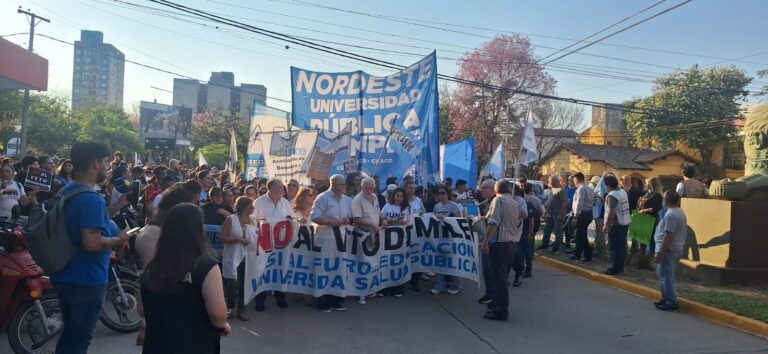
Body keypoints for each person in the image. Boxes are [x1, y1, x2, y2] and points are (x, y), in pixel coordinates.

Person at [51, 142, 131, 354]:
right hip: (86, 280)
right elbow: (92, 242)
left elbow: (84, 222)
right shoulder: (91, 199)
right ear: (96, 164)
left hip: (63, 273)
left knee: (69, 337)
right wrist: (119, 238)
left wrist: (115, 207)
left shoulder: (67, 192)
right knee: (78, 342)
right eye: (105, 162)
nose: (107, 167)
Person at [140, 203, 230, 353]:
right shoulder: (206, 266)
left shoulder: (152, 267)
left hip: (156, 346)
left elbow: (141, 309)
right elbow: (218, 315)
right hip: (194, 346)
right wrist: (224, 326)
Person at [310, 174, 351, 312]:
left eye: (345, 185)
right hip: (325, 239)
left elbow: (349, 215)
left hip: (340, 239)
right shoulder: (323, 198)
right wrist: (334, 222)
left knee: (338, 268)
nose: (345, 187)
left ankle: (335, 299)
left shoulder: (346, 200)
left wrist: (346, 219)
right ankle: (322, 300)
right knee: (324, 269)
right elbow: (315, 216)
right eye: (342, 185)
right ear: (334, 185)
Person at [481, 179, 520, 321]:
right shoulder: (514, 203)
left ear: (496, 189)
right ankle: (497, 304)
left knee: (499, 279)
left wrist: (485, 241)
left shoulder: (498, 201)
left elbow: (494, 223)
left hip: (500, 244)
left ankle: (501, 310)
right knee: (502, 278)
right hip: (511, 244)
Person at [252, 179, 291, 311]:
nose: (283, 190)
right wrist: (260, 222)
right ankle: (260, 299)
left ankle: (280, 296)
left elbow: (290, 220)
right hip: (265, 244)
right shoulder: (259, 202)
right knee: (263, 270)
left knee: (281, 269)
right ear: (271, 189)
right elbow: (252, 220)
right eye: (280, 188)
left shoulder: (285, 203)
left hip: (281, 245)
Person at [220, 197, 257, 321]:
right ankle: (230, 308)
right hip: (234, 257)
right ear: (243, 207)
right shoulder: (231, 219)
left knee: (245, 284)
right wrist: (239, 239)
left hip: (248, 258)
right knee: (233, 284)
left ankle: (242, 309)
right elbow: (223, 237)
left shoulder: (253, 220)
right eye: (250, 206)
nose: (253, 208)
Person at [352, 177, 388, 304]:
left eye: (370, 188)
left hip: (375, 234)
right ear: (361, 187)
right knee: (363, 264)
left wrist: (382, 219)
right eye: (365, 188)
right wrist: (371, 224)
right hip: (363, 234)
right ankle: (361, 293)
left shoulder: (375, 196)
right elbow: (356, 219)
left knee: (375, 262)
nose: (368, 190)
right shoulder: (357, 199)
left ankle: (371, 289)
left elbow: (377, 213)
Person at [654, 191, 687, 311]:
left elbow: (668, 236)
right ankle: (666, 298)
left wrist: (660, 253)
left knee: (667, 276)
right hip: (672, 249)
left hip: (669, 250)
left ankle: (671, 301)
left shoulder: (671, 215)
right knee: (663, 274)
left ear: (666, 200)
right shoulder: (678, 211)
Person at [430, 185, 464, 295]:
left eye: (443, 193)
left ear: (447, 194)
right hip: (440, 237)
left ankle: (457, 285)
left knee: (452, 262)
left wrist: (445, 218)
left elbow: (458, 220)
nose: (441, 195)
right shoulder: (436, 206)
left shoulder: (453, 206)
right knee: (440, 262)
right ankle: (440, 285)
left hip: (451, 237)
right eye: (439, 193)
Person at [379, 187, 412, 298]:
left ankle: (398, 288)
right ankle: (385, 288)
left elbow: (408, 222)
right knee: (386, 263)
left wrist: (390, 221)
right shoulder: (388, 206)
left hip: (400, 241)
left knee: (398, 263)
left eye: (401, 196)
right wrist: (385, 220)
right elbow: (381, 216)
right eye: (397, 195)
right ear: (393, 196)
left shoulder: (406, 207)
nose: (399, 198)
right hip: (387, 240)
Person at [602, 175, 631, 275]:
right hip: (625, 222)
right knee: (621, 247)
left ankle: (615, 268)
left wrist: (606, 225)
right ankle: (620, 267)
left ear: (609, 185)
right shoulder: (622, 191)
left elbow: (612, 211)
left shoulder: (612, 195)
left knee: (615, 248)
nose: (606, 187)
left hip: (616, 224)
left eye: (606, 185)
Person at [570, 172, 594, 262]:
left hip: (582, 214)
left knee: (581, 235)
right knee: (580, 235)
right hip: (588, 213)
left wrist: (576, 217)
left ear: (578, 179)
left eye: (574, 180)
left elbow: (579, 203)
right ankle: (578, 254)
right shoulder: (589, 188)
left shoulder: (581, 189)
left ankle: (587, 256)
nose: (573, 182)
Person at [539, 175, 567, 253]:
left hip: (557, 214)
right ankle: (545, 245)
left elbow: (565, 202)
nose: (549, 183)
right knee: (547, 229)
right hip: (549, 213)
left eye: (550, 182)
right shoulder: (552, 189)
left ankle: (556, 247)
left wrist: (561, 214)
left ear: (555, 181)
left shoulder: (561, 190)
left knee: (558, 231)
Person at [522, 183, 544, 277]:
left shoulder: (521, 199)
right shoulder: (536, 199)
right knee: (531, 242)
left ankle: (524, 263)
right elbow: (542, 211)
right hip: (534, 223)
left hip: (523, 225)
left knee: (523, 245)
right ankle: (530, 260)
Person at [638, 177, 664, 255]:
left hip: (652, 218)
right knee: (642, 238)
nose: (645, 184)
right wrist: (641, 203)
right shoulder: (647, 193)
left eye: (646, 183)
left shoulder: (657, 195)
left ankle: (651, 255)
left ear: (651, 184)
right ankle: (643, 257)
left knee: (651, 238)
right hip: (645, 217)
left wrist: (644, 210)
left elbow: (658, 208)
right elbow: (642, 205)